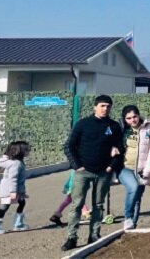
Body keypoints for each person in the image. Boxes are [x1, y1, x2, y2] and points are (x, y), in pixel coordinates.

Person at [62, 95, 123, 251]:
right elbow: (69, 146)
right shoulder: (83, 124)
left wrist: (111, 167)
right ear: (95, 107)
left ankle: (94, 235)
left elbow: (120, 149)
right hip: (83, 171)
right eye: (102, 106)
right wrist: (77, 166)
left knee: (98, 205)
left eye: (108, 106)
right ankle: (71, 237)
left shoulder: (114, 126)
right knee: (77, 205)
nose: (105, 109)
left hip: (103, 172)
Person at [117, 105, 150, 230]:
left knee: (137, 198)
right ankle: (127, 217)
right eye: (128, 118)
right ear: (125, 119)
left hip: (141, 168)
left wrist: (147, 170)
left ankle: (132, 225)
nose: (132, 120)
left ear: (139, 115)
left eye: (134, 116)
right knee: (133, 187)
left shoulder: (149, 128)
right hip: (125, 167)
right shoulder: (122, 129)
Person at [0, 141, 30, 235]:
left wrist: (20, 192)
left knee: (22, 202)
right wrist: (13, 192)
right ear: (19, 151)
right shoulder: (16, 164)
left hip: (13, 189)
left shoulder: (16, 162)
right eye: (26, 150)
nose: (28, 151)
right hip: (9, 189)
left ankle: (18, 224)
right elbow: (13, 179)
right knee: (4, 207)